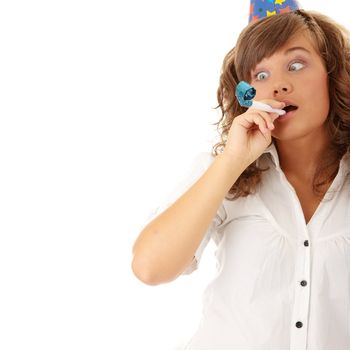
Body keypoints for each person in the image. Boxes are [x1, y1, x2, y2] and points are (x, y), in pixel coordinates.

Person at [132, 2, 350, 349]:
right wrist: (233, 160)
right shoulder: (223, 171)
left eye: (295, 65)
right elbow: (150, 267)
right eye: (260, 75)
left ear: (333, 73)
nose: (277, 84)